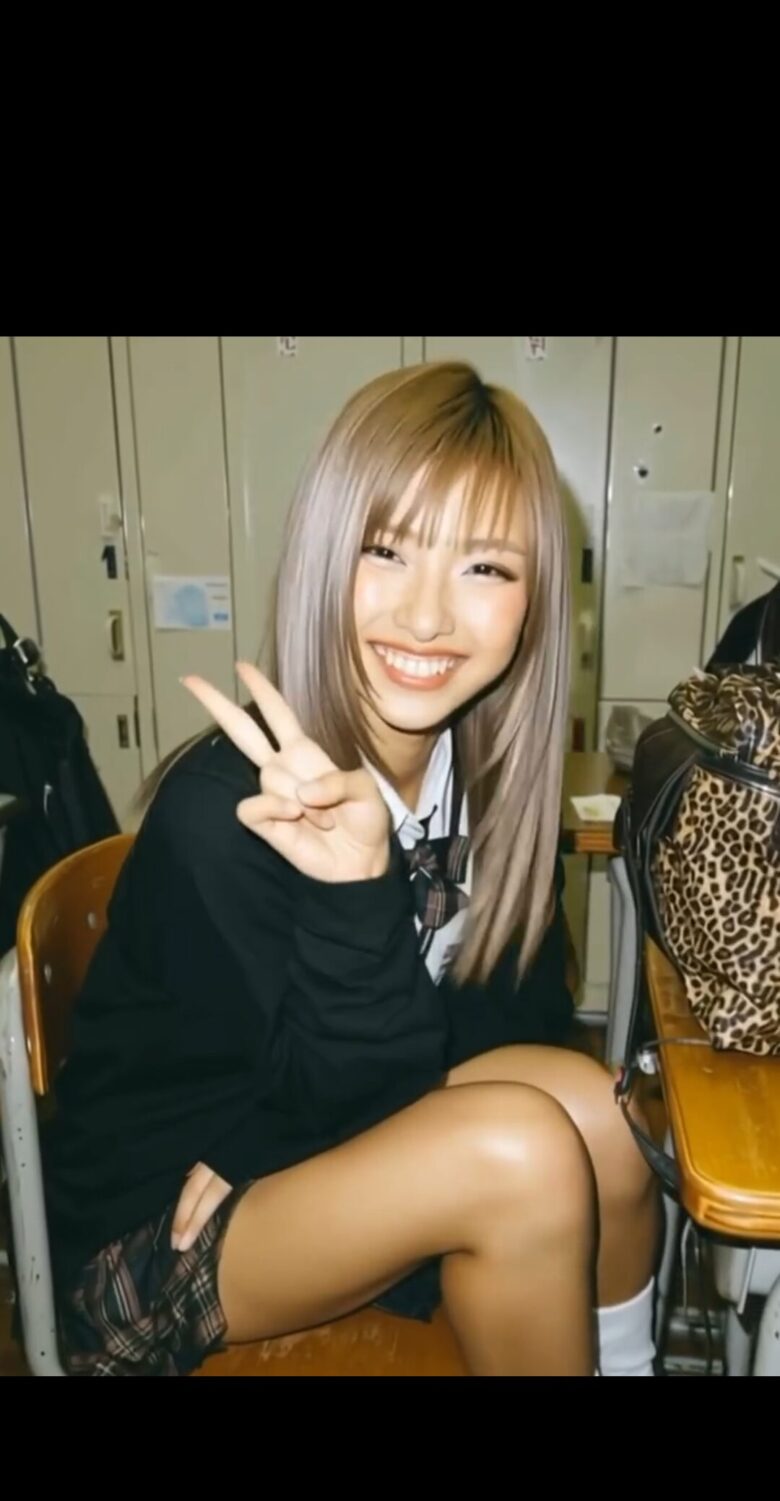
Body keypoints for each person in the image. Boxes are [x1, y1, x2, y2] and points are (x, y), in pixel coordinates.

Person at [45, 361, 661, 1377]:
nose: (426, 617)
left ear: (539, 602)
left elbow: (510, 1026)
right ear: (325, 554)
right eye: (386, 551)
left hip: (327, 1133)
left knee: (602, 1112)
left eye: (485, 568)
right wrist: (355, 891)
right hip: (164, 1233)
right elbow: (296, 1096)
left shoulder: (485, 779)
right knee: (519, 1152)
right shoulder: (234, 811)